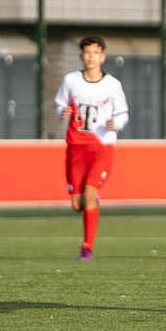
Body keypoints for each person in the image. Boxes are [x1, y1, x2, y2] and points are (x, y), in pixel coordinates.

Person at [55, 34, 129, 261]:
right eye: (87, 52)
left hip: (102, 146)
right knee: (78, 204)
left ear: (102, 57)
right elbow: (59, 104)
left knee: (88, 194)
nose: (91, 57)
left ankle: (87, 248)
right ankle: (90, 201)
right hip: (76, 147)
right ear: (81, 56)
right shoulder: (70, 81)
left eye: (96, 52)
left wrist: (115, 124)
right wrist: (63, 113)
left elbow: (123, 113)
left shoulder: (112, 84)